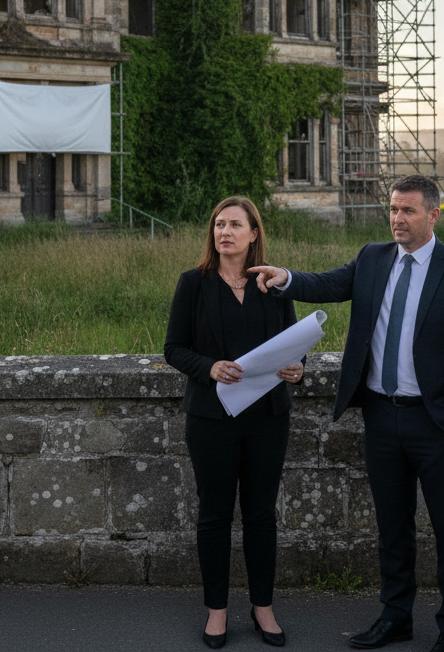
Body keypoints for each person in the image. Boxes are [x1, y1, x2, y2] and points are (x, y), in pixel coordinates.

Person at [251, 175, 444, 652]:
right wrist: (287, 278)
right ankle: (396, 616)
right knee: (392, 527)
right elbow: (327, 284)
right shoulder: (371, 258)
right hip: (381, 417)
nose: (397, 218)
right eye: (393, 209)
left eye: (407, 210)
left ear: (433, 216)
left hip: (437, 422)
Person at [165, 196, 303, 649]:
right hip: (211, 418)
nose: (225, 232)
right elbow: (174, 348)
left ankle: (263, 607)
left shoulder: (273, 287)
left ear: (253, 234)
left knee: (261, 515)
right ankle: (217, 612)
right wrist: (209, 367)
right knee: (214, 515)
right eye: (219, 225)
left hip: (267, 417)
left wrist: (296, 369)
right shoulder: (193, 284)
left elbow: (293, 346)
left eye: (235, 225)